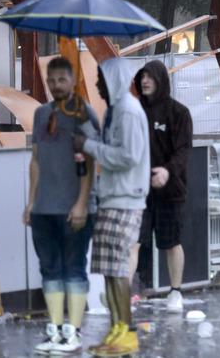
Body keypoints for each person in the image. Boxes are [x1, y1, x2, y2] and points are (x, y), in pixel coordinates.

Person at [73, 58, 149, 357]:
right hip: (113, 197)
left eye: (101, 80)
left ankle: (127, 332)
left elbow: (128, 156)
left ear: (114, 81)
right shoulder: (116, 111)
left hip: (126, 198)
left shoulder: (128, 112)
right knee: (107, 268)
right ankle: (117, 327)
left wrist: (89, 146)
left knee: (117, 269)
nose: (96, 86)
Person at [24, 57, 99, 355]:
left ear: (72, 81)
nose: (56, 85)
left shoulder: (83, 113)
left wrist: (82, 202)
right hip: (44, 207)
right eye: (51, 80)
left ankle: (74, 330)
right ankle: (54, 329)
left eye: (61, 80)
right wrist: (31, 202)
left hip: (75, 208)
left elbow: (91, 159)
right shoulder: (41, 114)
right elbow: (35, 160)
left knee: (74, 268)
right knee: (50, 269)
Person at [128, 60, 193, 313]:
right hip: (138, 192)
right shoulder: (133, 112)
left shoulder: (179, 113)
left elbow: (184, 150)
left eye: (150, 77)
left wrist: (167, 171)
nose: (145, 81)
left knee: (171, 243)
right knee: (132, 242)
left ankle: (175, 291)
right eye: (142, 77)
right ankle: (124, 294)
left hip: (171, 192)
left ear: (161, 80)